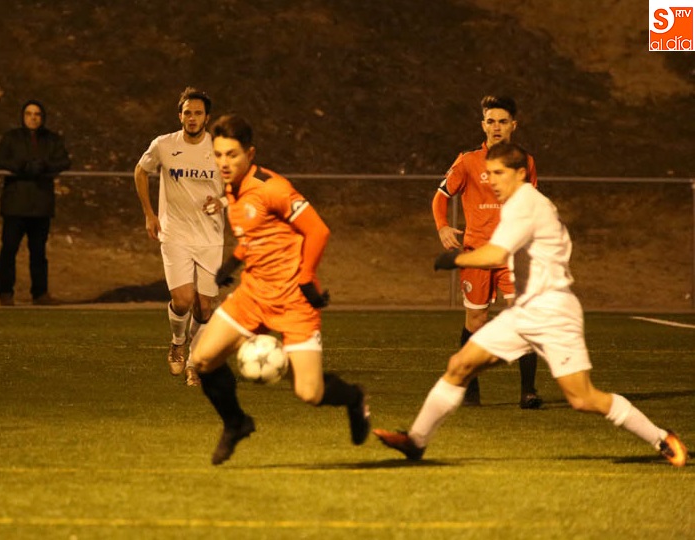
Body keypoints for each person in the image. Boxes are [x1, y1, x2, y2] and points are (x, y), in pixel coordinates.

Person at [374, 142, 688, 467]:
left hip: (553, 312)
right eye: (489, 174)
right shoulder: (518, 203)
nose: (492, 181)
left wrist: (455, 259)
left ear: (521, 173)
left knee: (582, 398)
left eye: (499, 173)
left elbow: (496, 254)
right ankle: (415, 441)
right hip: (525, 311)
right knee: (460, 365)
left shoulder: (526, 203)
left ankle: (662, 438)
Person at [189, 114, 370, 465]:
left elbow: (318, 231)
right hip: (253, 294)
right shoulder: (231, 189)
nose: (224, 163)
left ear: (250, 154)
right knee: (203, 360)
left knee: (309, 393)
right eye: (218, 154)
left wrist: (306, 278)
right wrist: (233, 263)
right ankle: (236, 423)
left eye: (232, 155)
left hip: (293, 301)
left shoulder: (273, 188)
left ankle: (353, 397)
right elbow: (258, 236)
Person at [432, 95, 541, 409]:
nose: (496, 127)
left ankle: (528, 392)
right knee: (476, 320)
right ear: (483, 125)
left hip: (513, 253)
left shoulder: (526, 161)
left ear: (513, 125)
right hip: (477, 252)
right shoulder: (467, 161)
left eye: (502, 121)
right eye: (491, 121)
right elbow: (440, 196)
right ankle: (470, 388)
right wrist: (442, 227)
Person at [134, 87, 223, 386]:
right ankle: (177, 343)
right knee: (183, 301)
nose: (193, 118)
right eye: (188, 113)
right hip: (175, 233)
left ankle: (194, 363)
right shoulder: (163, 144)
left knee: (205, 306)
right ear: (180, 116)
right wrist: (149, 214)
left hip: (210, 237)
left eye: (198, 113)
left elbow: (240, 184)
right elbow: (140, 171)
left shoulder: (220, 148)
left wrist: (222, 202)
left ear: (207, 117)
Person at [0, 99, 71, 306]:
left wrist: (44, 166)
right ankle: (5, 292)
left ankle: (40, 293)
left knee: (38, 252)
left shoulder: (52, 139)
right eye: (29, 114)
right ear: (23, 116)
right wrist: (23, 166)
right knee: (9, 249)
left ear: (42, 117)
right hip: (15, 204)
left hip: (40, 205)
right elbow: (0, 160)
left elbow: (64, 161)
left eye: (37, 114)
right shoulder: (11, 138)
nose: (33, 118)